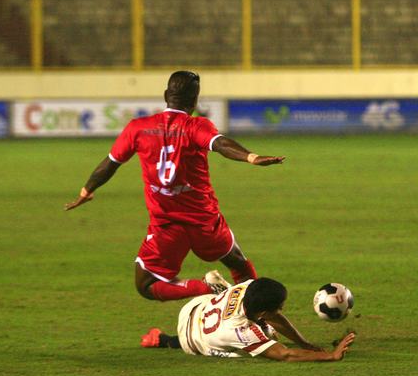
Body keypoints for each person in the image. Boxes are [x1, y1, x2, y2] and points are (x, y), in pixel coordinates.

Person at [65, 71, 285, 304]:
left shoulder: (138, 128)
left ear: (165, 96)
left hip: (166, 225)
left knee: (146, 284)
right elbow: (220, 144)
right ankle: (258, 313)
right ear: (195, 101)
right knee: (239, 265)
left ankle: (206, 287)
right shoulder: (196, 126)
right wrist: (251, 157)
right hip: (205, 221)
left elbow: (110, 163)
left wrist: (86, 191)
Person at [140, 277, 356, 361]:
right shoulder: (243, 332)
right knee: (265, 337)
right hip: (194, 341)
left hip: (194, 309)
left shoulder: (248, 286)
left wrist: (305, 343)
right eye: (279, 306)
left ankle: (214, 286)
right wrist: (330, 355)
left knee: (224, 294)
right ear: (263, 312)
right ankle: (165, 340)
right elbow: (284, 354)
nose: (282, 308)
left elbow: (273, 316)